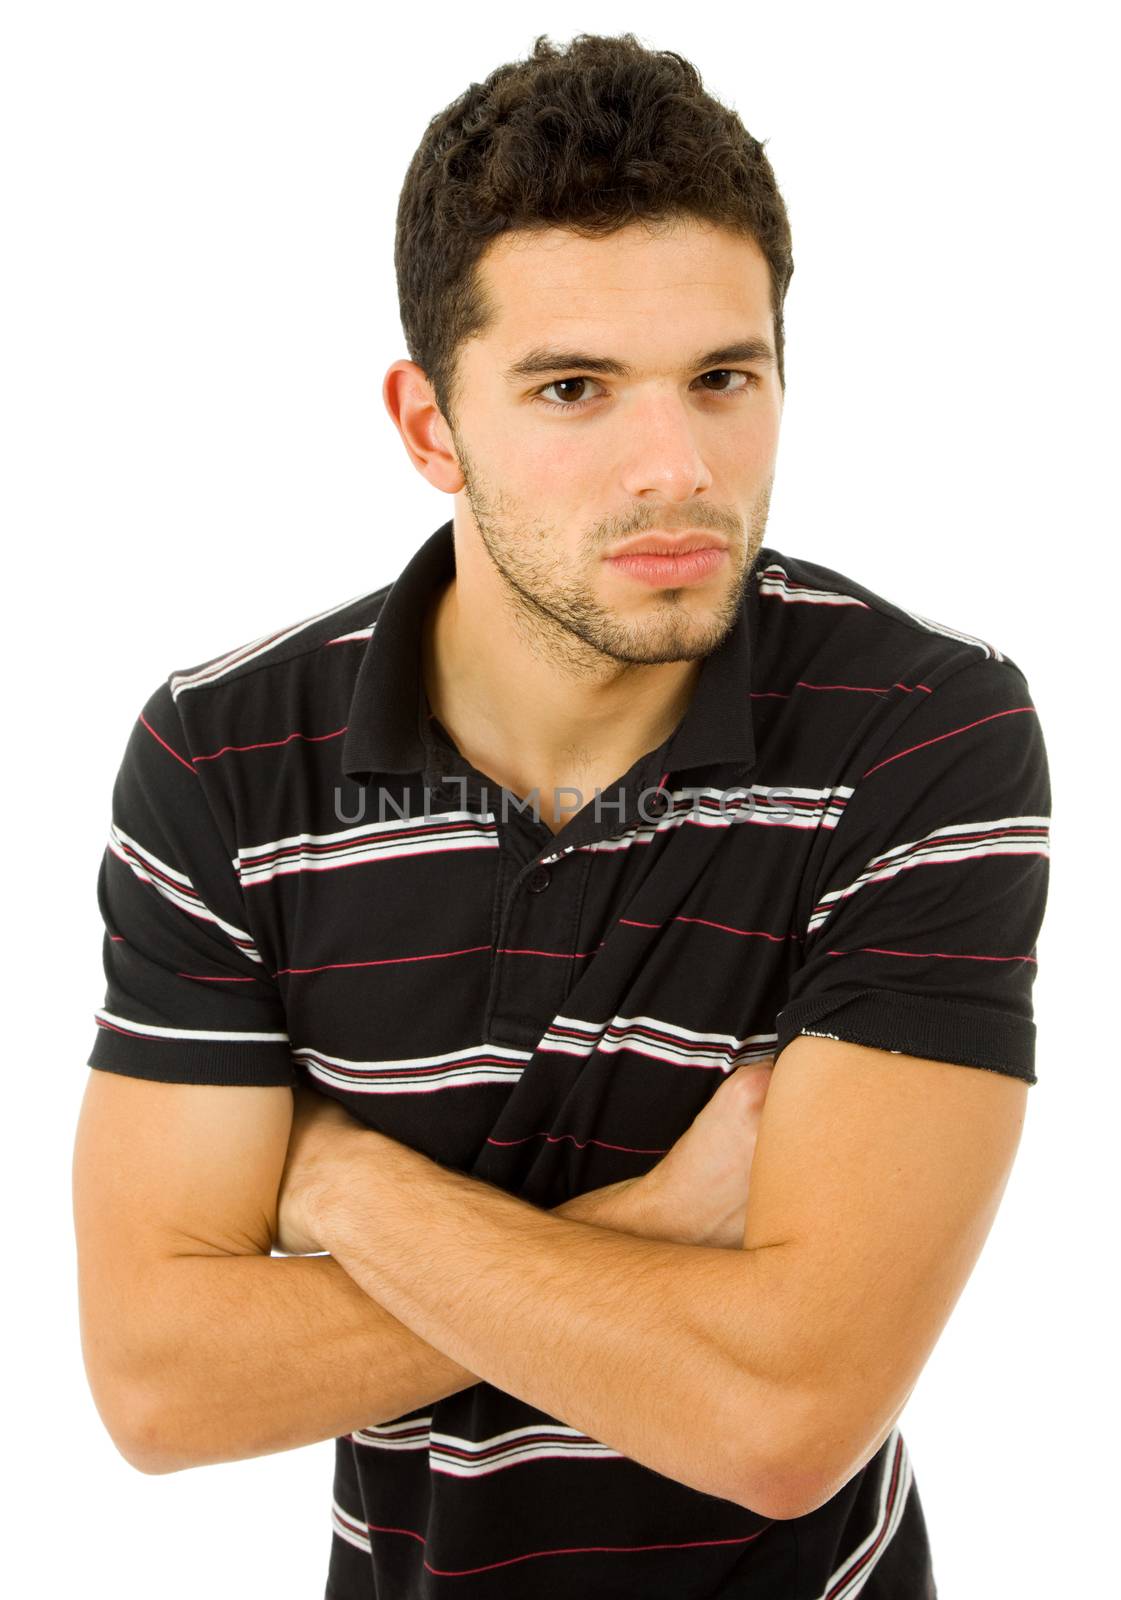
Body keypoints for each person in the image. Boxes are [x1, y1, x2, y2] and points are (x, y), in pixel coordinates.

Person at [73, 31, 1050, 1600]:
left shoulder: (921, 732)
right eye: (572, 389)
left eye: (723, 379)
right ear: (426, 425)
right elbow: (158, 1388)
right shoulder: (225, 759)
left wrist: (346, 1187)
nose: (675, 470)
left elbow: (783, 1415)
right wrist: (653, 1228)